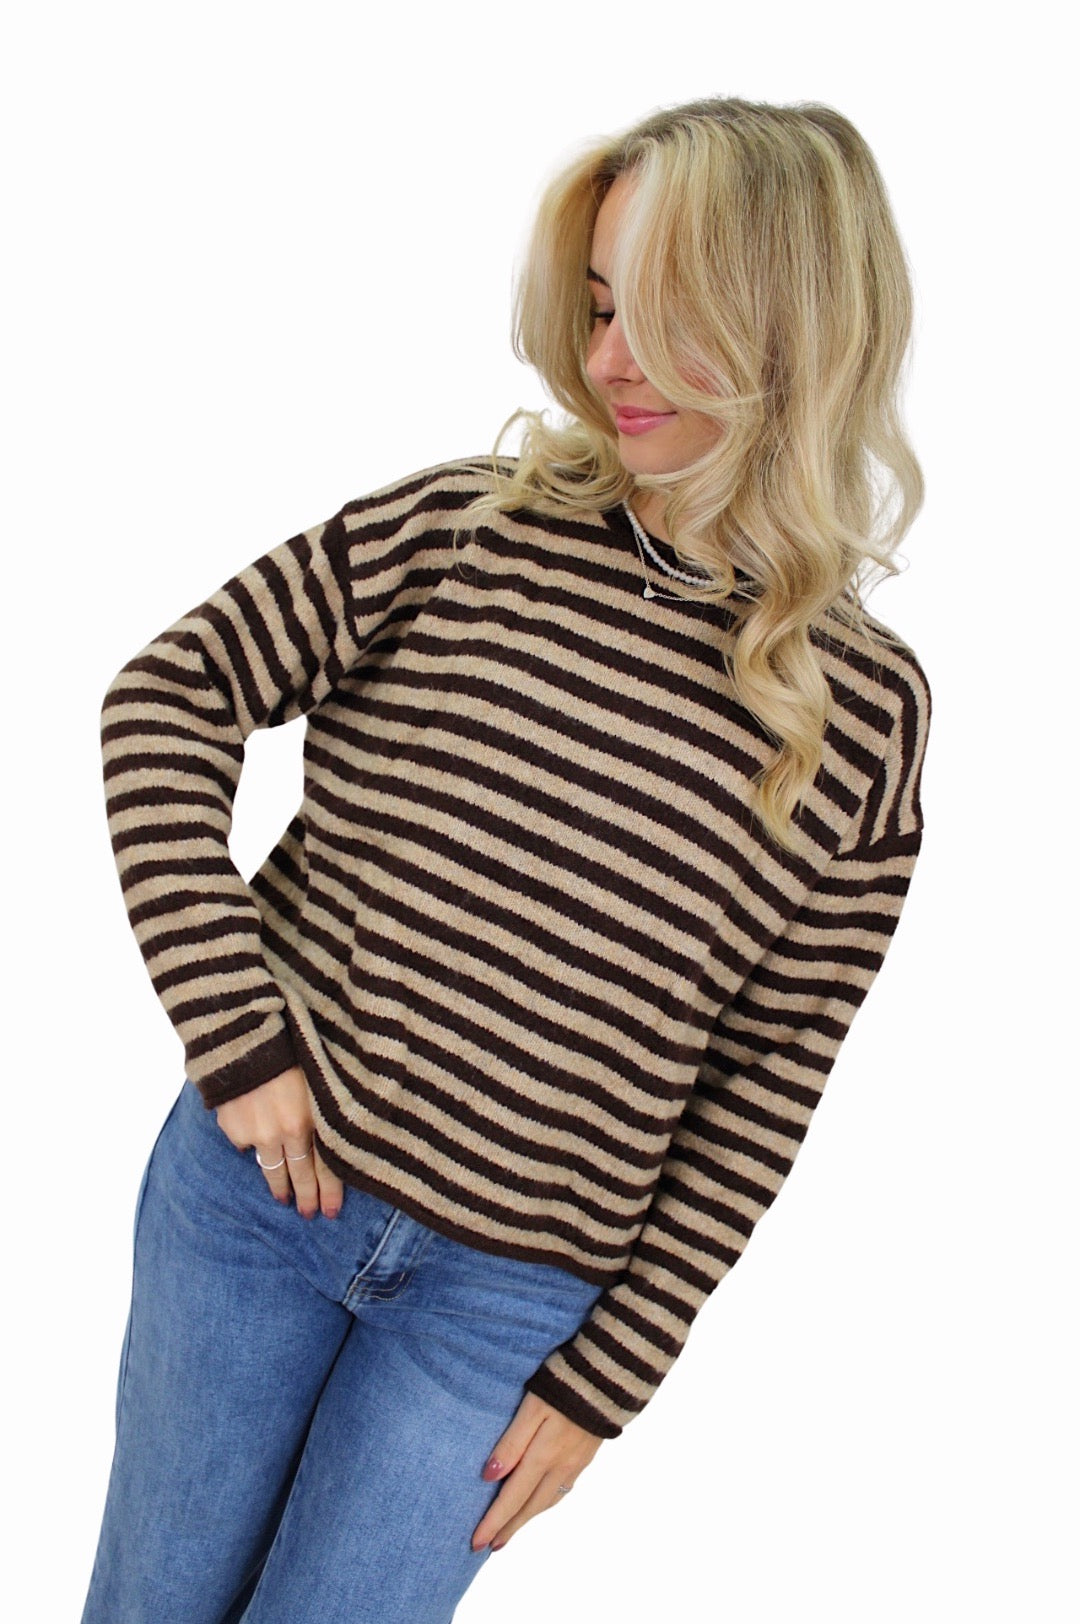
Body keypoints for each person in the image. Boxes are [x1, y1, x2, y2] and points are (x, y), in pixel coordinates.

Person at [82, 95, 930, 1623]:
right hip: (258, 1208)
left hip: (498, 1313)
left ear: (796, 330)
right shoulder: (465, 532)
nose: (609, 362)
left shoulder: (864, 713)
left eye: (663, 317)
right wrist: (232, 1025)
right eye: (599, 307)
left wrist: (614, 1376)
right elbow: (168, 696)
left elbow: (769, 1075)